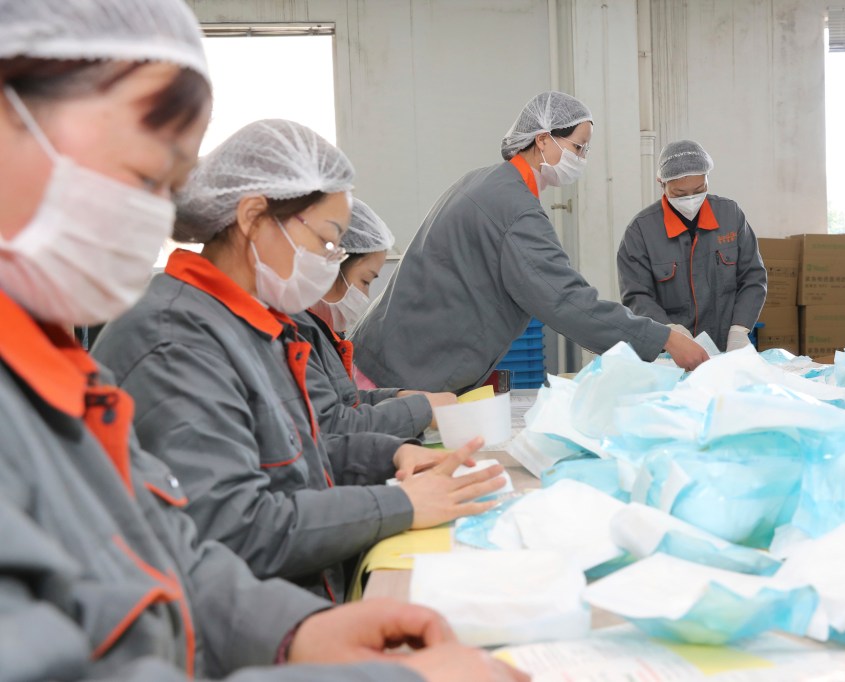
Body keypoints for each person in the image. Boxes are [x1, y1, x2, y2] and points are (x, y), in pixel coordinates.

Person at [0, 2, 526, 681]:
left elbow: (169, 552)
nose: (150, 214)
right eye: (138, 176)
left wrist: (296, 633)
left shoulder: (55, 371)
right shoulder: (170, 339)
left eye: (167, 187)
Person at [92, 119, 507, 600]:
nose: (330, 260)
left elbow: (293, 454)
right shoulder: (175, 341)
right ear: (252, 217)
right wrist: (398, 503)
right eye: (326, 242)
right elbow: (234, 526)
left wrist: (389, 455)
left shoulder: (249, 324)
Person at [351, 91, 708, 393]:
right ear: (542, 139)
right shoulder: (515, 208)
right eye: (578, 147)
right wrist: (663, 338)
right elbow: (566, 300)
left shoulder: (484, 181)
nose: (581, 159)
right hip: (399, 375)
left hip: (383, 353)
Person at [295, 198, 457, 457]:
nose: (364, 296)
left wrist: (398, 395)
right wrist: (422, 409)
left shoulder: (320, 333)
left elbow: (343, 401)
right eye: (365, 280)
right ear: (329, 265)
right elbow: (334, 427)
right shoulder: (295, 336)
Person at [617, 140, 767, 352]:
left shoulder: (730, 216)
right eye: (679, 193)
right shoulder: (640, 232)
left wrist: (739, 330)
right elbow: (636, 295)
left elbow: (753, 277)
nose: (690, 199)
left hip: (724, 350)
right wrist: (669, 331)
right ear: (662, 183)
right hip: (669, 353)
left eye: (699, 189)